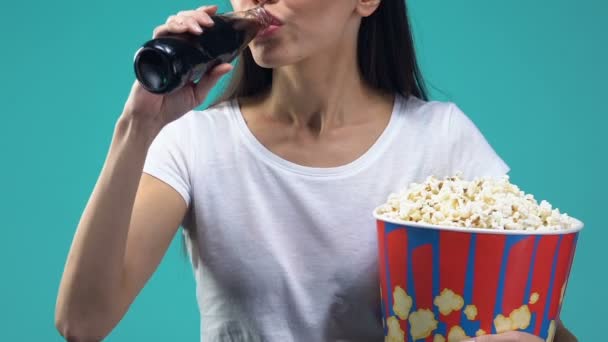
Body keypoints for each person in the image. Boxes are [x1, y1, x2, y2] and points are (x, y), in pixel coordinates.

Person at [54, 0, 578, 341]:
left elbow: (529, 317)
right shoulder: (194, 141)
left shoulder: (440, 140)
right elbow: (82, 321)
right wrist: (139, 124)